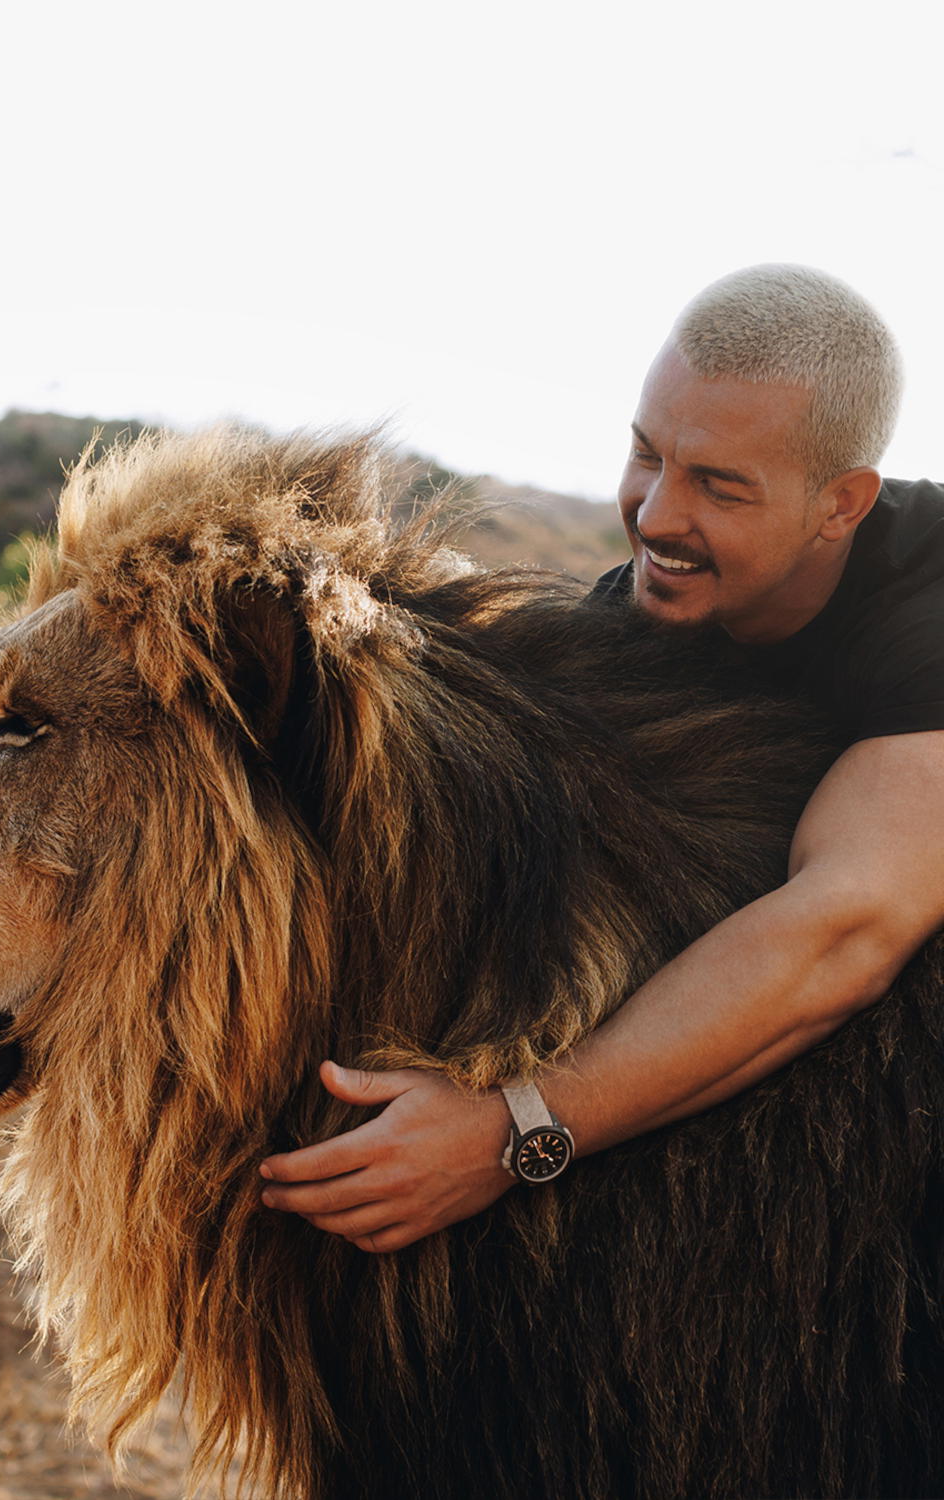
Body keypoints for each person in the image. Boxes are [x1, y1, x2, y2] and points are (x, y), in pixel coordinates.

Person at [259, 264, 944, 1253]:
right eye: (646, 452)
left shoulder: (925, 614)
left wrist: (512, 1127)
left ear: (842, 503)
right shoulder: (637, 618)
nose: (657, 516)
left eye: (720, 486)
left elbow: (844, 930)